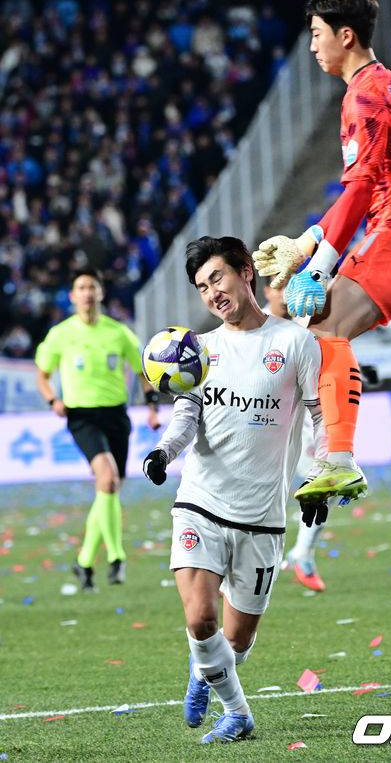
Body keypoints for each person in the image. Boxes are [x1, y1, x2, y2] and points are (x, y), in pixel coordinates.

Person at [253, 0, 391, 502]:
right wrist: (306, 243)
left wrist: (318, 267)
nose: (312, 46)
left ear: (345, 36)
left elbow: (363, 189)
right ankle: (328, 457)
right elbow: (365, 190)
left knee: (323, 327)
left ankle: (336, 459)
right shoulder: (381, 85)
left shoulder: (364, 96)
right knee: (316, 335)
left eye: (316, 34)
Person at [142, 236, 330, 743]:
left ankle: (204, 670)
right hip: (200, 503)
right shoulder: (200, 350)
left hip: (261, 517)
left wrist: (321, 477)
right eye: (202, 287)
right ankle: (239, 713)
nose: (212, 293)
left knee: (236, 640)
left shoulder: (295, 342)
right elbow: (186, 413)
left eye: (217, 278)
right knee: (201, 618)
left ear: (246, 271)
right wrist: (163, 452)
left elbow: (320, 417)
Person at [35, 267, 160, 590]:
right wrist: (52, 400)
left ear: (101, 293)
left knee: (109, 488)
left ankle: (84, 562)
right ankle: (117, 557)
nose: (87, 292)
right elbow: (42, 374)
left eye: (92, 286)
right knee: (107, 478)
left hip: (116, 415)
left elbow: (143, 370)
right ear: (72, 296)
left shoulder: (119, 333)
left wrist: (151, 407)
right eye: (81, 287)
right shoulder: (61, 334)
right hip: (82, 416)